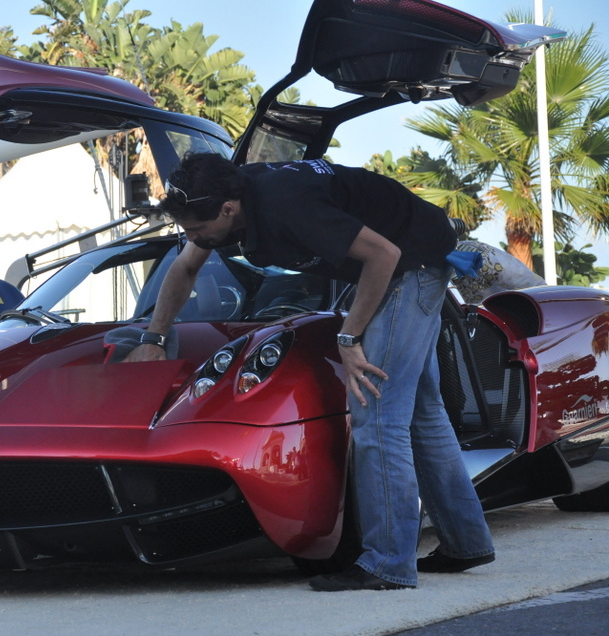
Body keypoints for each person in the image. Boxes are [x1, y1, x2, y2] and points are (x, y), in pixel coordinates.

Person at [125, 152, 495, 591]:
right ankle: (466, 542)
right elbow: (185, 268)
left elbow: (384, 255)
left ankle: (387, 564)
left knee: (376, 415)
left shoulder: (286, 203)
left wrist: (348, 338)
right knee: (421, 412)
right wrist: (152, 339)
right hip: (406, 259)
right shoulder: (224, 198)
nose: (196, 237)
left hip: (410, 268)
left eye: (198, 229)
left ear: (228, 208)